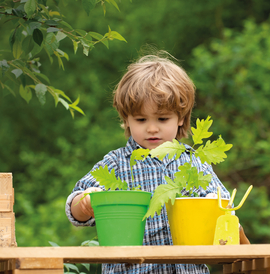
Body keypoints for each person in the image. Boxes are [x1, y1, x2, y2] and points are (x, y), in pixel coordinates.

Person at [66, 54, 249, 274]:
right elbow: (75, 209)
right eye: (141, 120)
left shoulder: (194, 163)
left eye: (162, 119)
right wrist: (85, 203)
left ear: (180, 117)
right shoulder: (116, 164)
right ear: (126, 119)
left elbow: (223, 209)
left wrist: (214, 206)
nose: (152, 129)